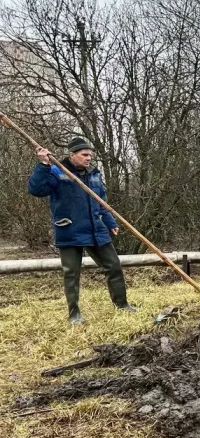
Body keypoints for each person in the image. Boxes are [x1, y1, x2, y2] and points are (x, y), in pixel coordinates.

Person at [27, 136, 137, 324]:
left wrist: (110, 222)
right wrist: (43, 165)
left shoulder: (94, 174)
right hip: (69, 228)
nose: (88, 159)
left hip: (96, 229)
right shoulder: (56, 171)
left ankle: (122, 305)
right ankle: (74, 314)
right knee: (71, 273)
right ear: (72, 155)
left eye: (90, 156)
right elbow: (36, 190)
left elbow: (101, 201)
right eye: (84, 155)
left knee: (114, 266)